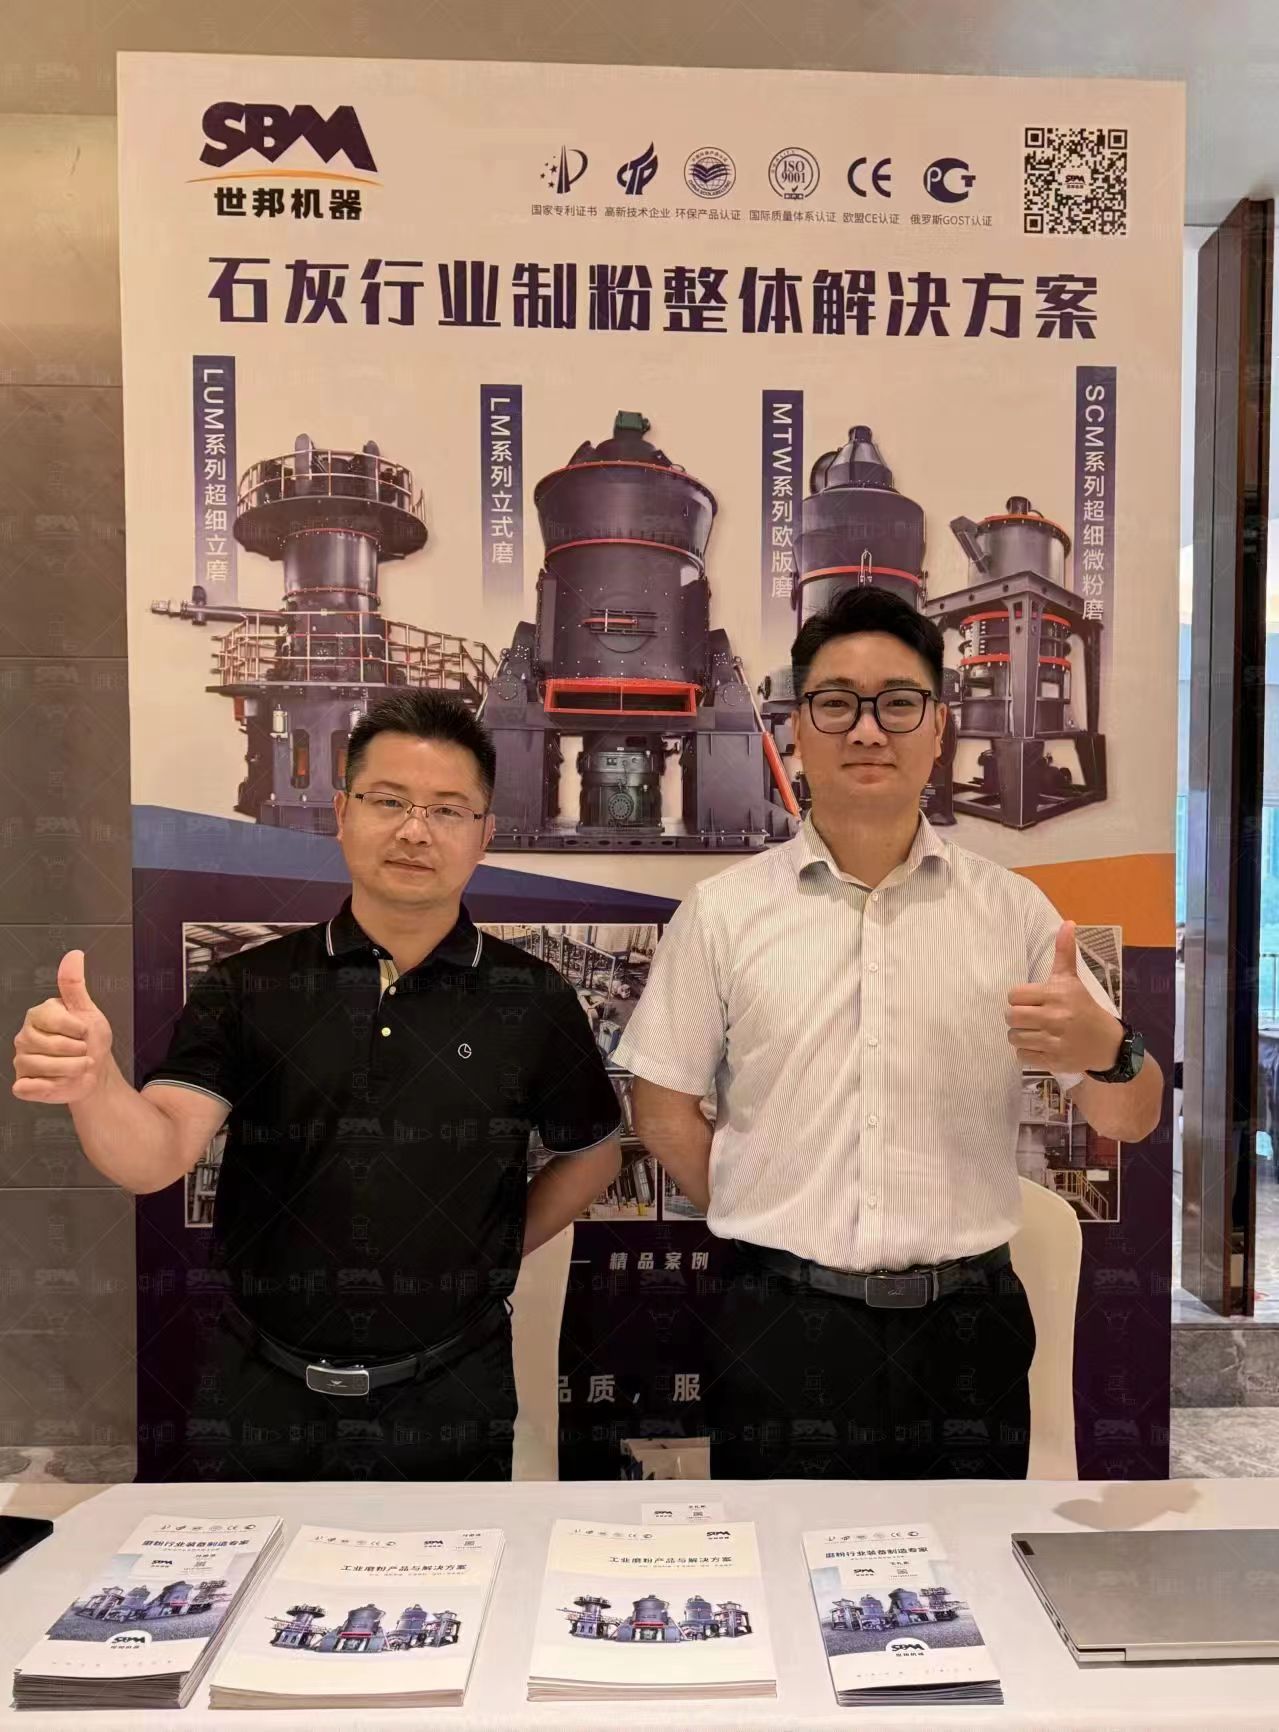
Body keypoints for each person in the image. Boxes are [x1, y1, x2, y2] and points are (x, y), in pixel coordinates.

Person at [618, 586, 1162, 1479]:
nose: (867, 730)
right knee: (779, 1562)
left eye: (898, 703)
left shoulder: (1015, 914)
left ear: (938, 726)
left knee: (973, 1565)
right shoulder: (722, 914)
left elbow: (1129, 1117)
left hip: (967, 1333)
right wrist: (760, 1201)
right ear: (797, 728)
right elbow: (662, 1103)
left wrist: (1110, 1049)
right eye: (836, 703)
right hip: (777, 1324)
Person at [12, 691, 622, 1481]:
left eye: (447, 810)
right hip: (260, 1388)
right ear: (341, 813)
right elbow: (155, 1154)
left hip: (448, 1392)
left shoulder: (532, 998)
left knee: (442, 1566)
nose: (414, 830)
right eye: (387, 801)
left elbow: (593, 1155)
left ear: (484, 835)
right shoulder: (250, 986)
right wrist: (94, 1085)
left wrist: (491, 1250)